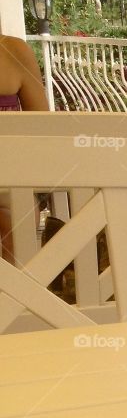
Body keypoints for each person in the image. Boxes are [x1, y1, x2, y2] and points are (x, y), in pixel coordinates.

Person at [0, 32, 48, 260]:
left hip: (9, 174)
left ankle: (13, 293)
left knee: (17, 216)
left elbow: (42, 128)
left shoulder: (12, 50)